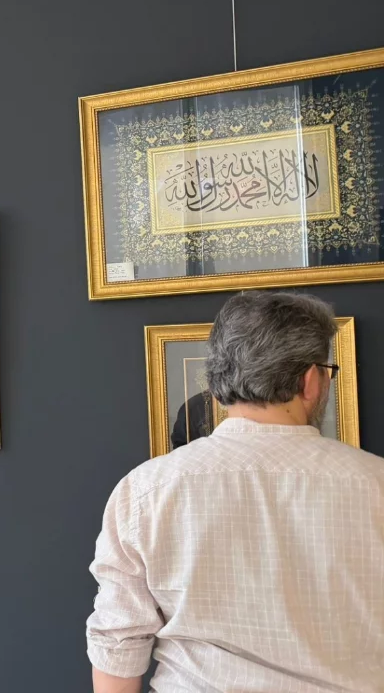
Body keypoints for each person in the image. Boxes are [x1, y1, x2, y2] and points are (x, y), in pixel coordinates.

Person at [86, 292, 384, 693]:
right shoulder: (376, 484)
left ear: (216, 381)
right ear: (311, 380)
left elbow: (118, 642)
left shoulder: (146, 491)